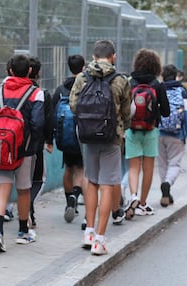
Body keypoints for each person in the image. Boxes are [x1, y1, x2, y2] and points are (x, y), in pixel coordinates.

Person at [69, 40, 131, 255]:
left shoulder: (82, 77)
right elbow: (126, 112)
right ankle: (100, 241)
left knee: (92, 182)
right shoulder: (121, 80)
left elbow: (74, 106)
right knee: (108, 185)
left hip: (87, 136)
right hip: (111, 138)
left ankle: (88, 231)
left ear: (94, 57)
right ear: (113, 56)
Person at [0, 54, 45, 252]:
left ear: (10, 70)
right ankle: (22, 232)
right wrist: (31, 144)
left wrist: (0, 140)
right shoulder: (36, 93)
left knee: (2, 188)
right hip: (24, 151)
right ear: (29, 71)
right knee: (24, 189)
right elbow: (38, 123)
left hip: (1, 150)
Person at [124, 48, 170, 219]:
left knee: (133, 167)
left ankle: (133, 195)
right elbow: (166, 112)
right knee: (148, 168)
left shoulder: (130, 82)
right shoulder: (157, 85)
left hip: (132, 129)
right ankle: (142, 204)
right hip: (151, 130)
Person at [52, 54, 86, 223]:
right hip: (81, 136)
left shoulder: (60, 90)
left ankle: (68, 201)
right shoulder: (86, 86)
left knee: (68, 170)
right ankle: (76, 196)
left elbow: (52, 114)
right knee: (81, 170)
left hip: (65, 138)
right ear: (83, 67)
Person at [26, 56, 54, 228]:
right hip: (34, 144)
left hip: (12, 144)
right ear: (39, 73)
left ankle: (13, 210)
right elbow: (48, 120)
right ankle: (27, 205)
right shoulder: (42, 94)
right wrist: (49, 140)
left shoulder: (7, 91)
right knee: (38, 179)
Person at [158, 64, 187, 207]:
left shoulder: (159, 88)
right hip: (176, 134)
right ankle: (168, 183)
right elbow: (186, 116)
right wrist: (184, 135)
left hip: (159, 132)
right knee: (175, 163)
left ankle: (165, 192)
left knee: (162, 164)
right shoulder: (182, 91)